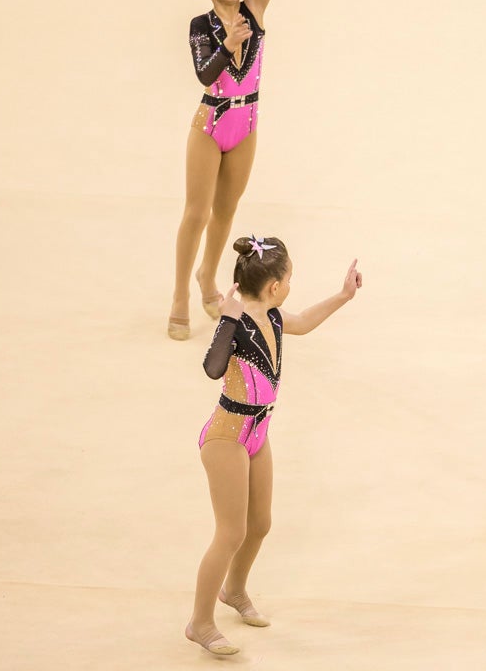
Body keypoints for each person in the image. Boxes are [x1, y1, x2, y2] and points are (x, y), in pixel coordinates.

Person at [185, 235, 362, 655]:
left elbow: (304, 321)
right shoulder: (238, 323)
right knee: (230, 533)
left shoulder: (275, 316)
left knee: (260, 524)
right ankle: (200, 622)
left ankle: (235, 590)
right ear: (275, 285)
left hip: (257, 434)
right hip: (226, 437)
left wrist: (343, 295)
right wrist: (226, 319)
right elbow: (212, 369)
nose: (290, 285)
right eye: (290, 278)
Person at [168, 0, 309, 340]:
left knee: (226, 211)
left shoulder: (256, 10)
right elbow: (205, 75)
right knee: (197, 211)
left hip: (246, 124)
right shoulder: (200, 25)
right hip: (209, 122)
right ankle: (179, 295)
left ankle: (208, 279)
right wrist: (227, 46)